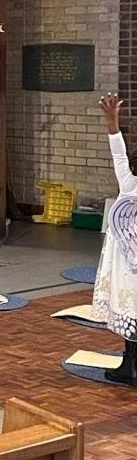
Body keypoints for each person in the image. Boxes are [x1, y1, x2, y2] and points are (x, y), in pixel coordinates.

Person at [92, 91, 137, 385]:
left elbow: (119, 154)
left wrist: (112, 121)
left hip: (127, 263)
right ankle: (131, 364)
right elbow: (119, 154)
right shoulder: (130, 184)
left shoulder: (129, 184)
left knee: (132, 308)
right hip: (128, 259)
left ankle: (131, 366)